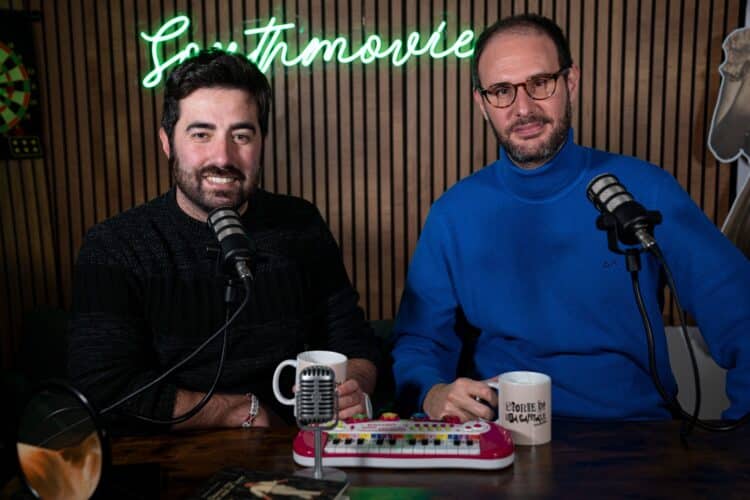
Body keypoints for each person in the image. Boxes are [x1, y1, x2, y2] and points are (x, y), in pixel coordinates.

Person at [391, 14, 750, 423]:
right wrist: (432, 393)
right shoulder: (452, 214)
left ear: (571, 82)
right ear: (482, 103)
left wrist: (741, 438)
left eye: (540, 82)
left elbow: (741, 315)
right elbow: (419, 343)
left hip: (635, 439)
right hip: (500, 439)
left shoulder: (646, 190)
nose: (523, 108)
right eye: (502, 91)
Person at [68, 49, 378, 433]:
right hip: (166, 458)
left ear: (262, 142)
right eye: (201, 134)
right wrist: (238, 411)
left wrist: (355, 387)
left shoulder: (301, 223)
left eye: (241, 135)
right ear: (167, 142)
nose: (223, 156)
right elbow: (101, 390)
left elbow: (356, 344)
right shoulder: (115, 245)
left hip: (292, 451)